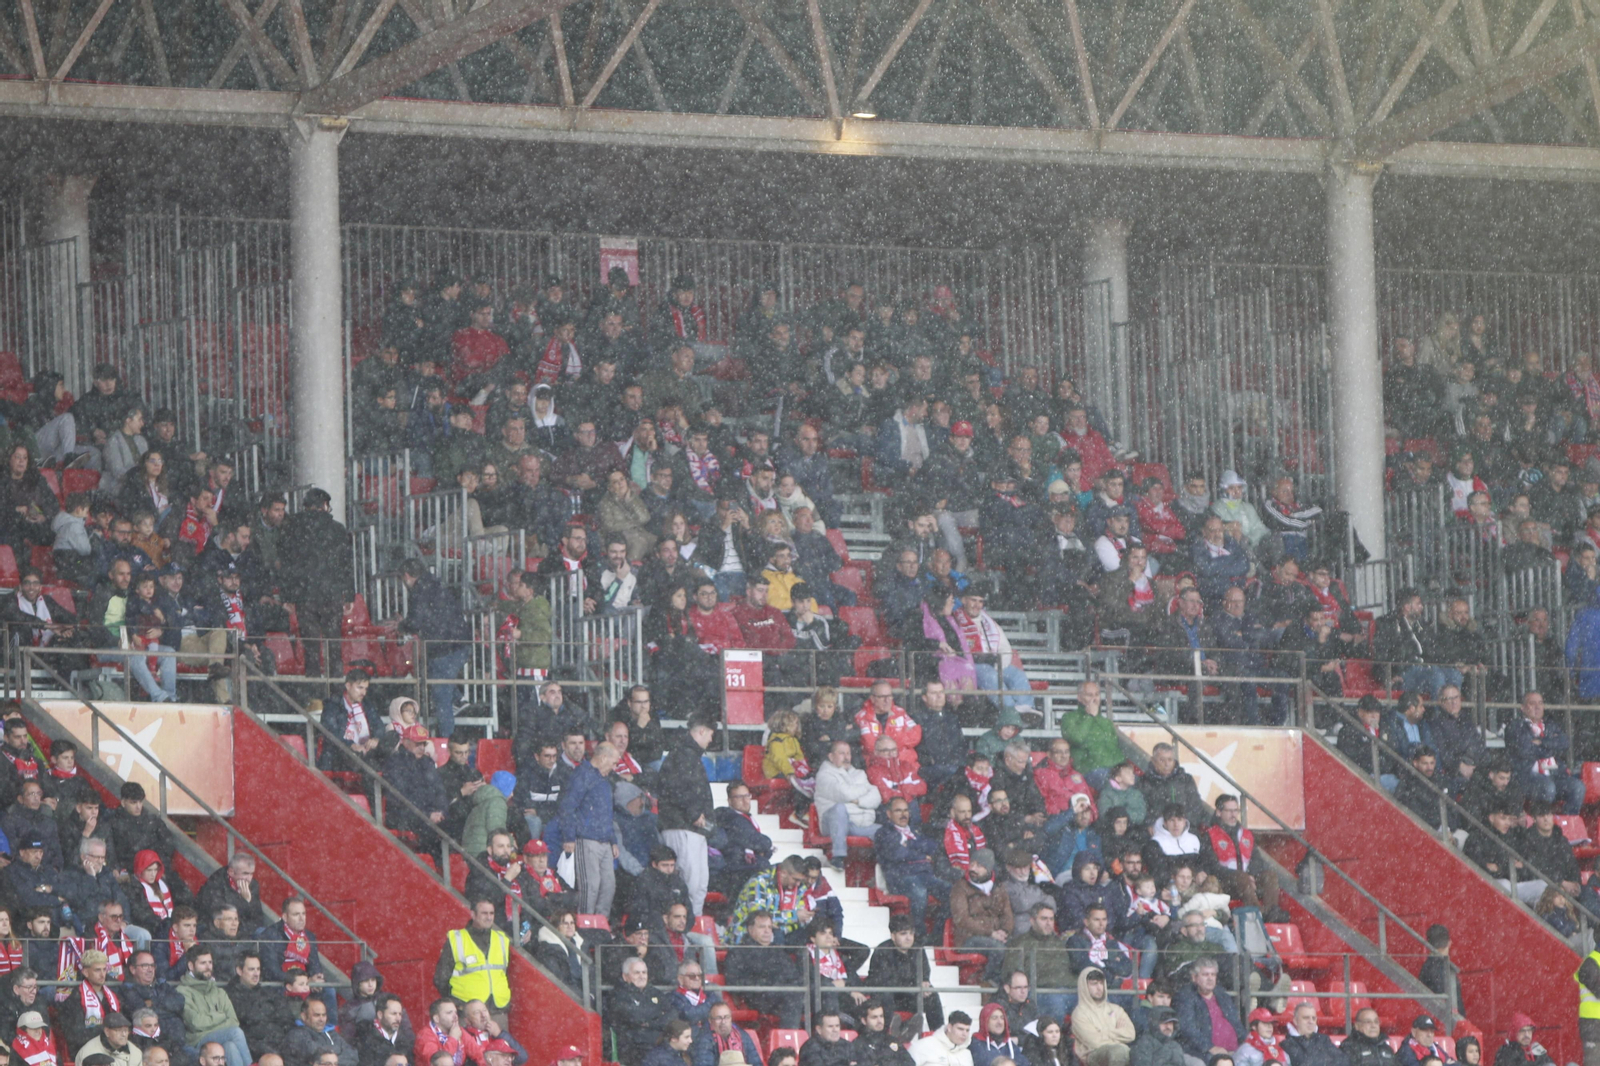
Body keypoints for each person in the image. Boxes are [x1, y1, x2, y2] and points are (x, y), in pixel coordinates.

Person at [657, 716, 715, 917]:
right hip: (682, 825)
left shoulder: (686, 754)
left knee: (698, 885)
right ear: (701, 731)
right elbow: (677, 787)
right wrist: (694, 813)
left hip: (692, 828)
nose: (711, 740)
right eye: (710, 735)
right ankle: (684, 928)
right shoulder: (683, 754)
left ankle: (692, 925)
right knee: (688, 884)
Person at [555, 742, 621, 918]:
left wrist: (613, 840)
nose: (614, 767)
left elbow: (606, 812)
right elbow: (567, 807)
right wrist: (569, 837)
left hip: (604, 841)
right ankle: (584, 924)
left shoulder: (604, 780)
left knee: (608, 886)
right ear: (604, 758)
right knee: (590, 886)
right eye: (614, 762)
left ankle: (600, 925)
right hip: (586, 839)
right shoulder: (581, 775)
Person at [874, 798, 948, 942]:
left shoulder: (915, 830)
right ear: (889, 814)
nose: (903, 814)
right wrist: (921, 855)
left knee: (951, 891)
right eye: (898, 811)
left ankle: (937, 934)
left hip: (924, 875)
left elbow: (933, 846)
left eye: (906, 810)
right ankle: (918, 935)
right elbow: (897, 854)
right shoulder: (883, 833)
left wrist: (909, 844)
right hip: (900, 877)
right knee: (919, 892)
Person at [1504, 691, 1585, 814]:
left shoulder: (1551, 725)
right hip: (1527, 777)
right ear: (1523, 708)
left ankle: (1566, 821)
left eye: (1540, 703)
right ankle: (1542, 820)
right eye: (1532, 703)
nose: (1537, 707)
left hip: (1554, 774)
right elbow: (1525, 750)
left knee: (1578, 787)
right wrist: (1550, 747)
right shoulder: (1515, 726)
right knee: (1547, 787)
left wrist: (1541, 742)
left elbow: (1565, 743)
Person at [723, 912, 803, 1029]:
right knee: (794, 997)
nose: (767, 931)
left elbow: (793, 976)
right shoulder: (738, 952)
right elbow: (733, 981)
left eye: (769, 927)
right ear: (750, 929)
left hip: (781, 995)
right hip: (756, 997)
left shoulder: (778, 952)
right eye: (762, 927)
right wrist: (766, 984)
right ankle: (789, 1036)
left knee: (815, 993)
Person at [175, 948, 251, 1066]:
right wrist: (221, 1016)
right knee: (236, 1033)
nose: (208, 967)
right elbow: (195, 1023)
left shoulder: (219, 992)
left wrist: (211, 1024)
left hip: (220, 1037)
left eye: (210, 962)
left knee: (230, 1047)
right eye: (203, 963)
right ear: (191, 966)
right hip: (198, 1040)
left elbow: (234, 1021)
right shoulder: (182, 991)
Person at [815, 740, 882, 871]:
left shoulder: (859, 774)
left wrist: (858, 801)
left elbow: (876, 797)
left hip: (860, 825)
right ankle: (838, 858)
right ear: (831, 757)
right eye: (841, 753)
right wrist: (865, 790)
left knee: (888, 832)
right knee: (839, 808)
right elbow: (844, 794)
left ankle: (887, 868)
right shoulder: (824, 775)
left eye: (848, 753)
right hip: (834, 825)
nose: (846, 757)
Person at [435, 901, 510, 1012]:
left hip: (497, 1008)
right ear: (473, 915)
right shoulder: (457, 939)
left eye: (492, 913)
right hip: (467, 1010)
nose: (489, 917)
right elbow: (441, 978)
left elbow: (504, 973)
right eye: (484, 913)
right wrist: (456, 1002)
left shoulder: (501, 939)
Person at [1172, 959, 1240, 1062]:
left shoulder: (1222, 994)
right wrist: (1210, 1047)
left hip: (1234, 1051)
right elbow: (1187, 1028)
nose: (1210, 978)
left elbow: (1235, 1021)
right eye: (1205, 974)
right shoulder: (1185, 996)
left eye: (1213, 975)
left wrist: (1247, 1041)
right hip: (1204, 1052)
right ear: (1194, 977)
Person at [1071, 968, 1136, 1066]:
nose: (1099, 988)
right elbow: (1094, 1042)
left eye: (1101, 983)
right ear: (1084, 986)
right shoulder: (1079, 1013)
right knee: (1119, 1051)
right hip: (1092, 1054)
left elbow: (1131, 1034)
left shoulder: (1116, 1009)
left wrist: (1102, 1032)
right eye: (1094, 984)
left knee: (1139, 1052)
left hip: (1119, 1051)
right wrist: (1118, 1034)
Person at [280, 997, 357, 1066]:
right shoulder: (295, 1035)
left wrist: (330, 1061)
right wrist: (335, 1056)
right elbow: (315, 1054)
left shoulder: (332, 1033)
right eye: (317, 1015)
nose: (321, 1019)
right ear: (304, 1016)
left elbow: (353, 1056)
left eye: (324, 1015)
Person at [688, 1002, 762, 1066]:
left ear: (731, 1018)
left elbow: (756, 1063)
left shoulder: (743, 1036)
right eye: (718, 1018)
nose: (723, 1022)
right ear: (710, 1020)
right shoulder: (704, 1040)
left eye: (726, 1017)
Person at [908, 1013, 974, 1066]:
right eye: (960, 1029)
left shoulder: (966, 1054)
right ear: (949, 1027)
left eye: (967, 1030)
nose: (964, 1034)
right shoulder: (923, 1046)